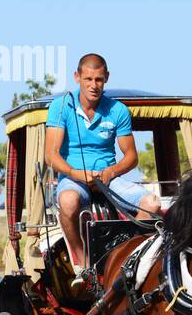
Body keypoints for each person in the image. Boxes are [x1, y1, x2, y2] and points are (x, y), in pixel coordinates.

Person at [44, 53, 160, 288]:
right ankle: (83, 265)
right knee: (67, 201)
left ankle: (130, 259)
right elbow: (51, 156)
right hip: (74, 178)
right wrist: (77, 174)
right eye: (88, 79)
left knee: (152, 204)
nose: (93, 85)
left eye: (98, 80)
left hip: (108, 179)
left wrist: (111, 172)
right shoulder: (60, 107)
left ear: (106, 78)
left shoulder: (118, 110)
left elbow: (131, 157)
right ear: (77, 77)